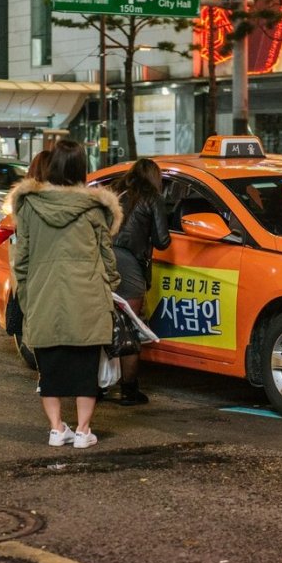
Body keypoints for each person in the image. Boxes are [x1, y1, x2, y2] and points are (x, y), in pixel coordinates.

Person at [8, 140, 121, 448]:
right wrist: (110, 284)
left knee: (51, 370)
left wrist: (27, 296)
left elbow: (23, 259)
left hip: (45, 296)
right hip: (87, 297)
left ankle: (57, 429)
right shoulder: (94, 208)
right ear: (81, 168)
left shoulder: (30, 206)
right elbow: (107, 256)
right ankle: (83, 431)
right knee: (86, 369)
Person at [110, 159, 170, 406]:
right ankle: (129, 390)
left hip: (104, 259)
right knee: (130, 328)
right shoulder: (152, 198)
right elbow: (162, 240)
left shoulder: (116, 192)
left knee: (105, 325)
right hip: (130, 264)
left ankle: (98, 386)